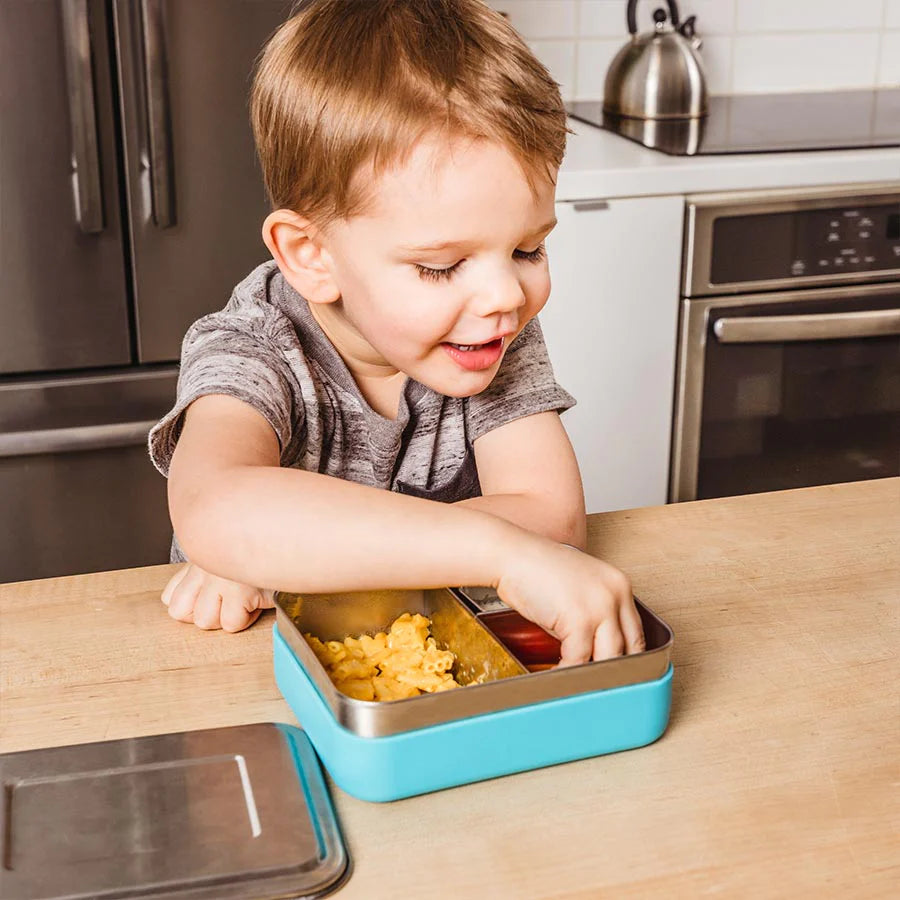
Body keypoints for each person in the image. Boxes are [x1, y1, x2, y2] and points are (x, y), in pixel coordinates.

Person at [149, 0, 645, 665]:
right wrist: (498, 551)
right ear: (312, 256)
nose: (505, 295)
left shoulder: (487, 330)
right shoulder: (255, 344)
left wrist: (289, 562)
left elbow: (552, 516)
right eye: (441, 266)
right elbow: (216, 509)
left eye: (528, 251)